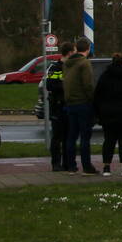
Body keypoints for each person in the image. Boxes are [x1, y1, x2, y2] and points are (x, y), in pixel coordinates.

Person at [62, 37, 97, 174]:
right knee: (85, 136)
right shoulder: (84, 63)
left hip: (70, 103)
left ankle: (71, 166)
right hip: (83, 103)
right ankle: (87, 166)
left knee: (71, 136)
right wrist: (92, 99)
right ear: (88, 49)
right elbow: (88, 84)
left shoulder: (67, 63)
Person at [44, 41, 75, 171]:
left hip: (69, 105)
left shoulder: (72, 67)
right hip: (57, 106)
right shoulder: (55, 67)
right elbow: (49, 85)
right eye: (74, 51)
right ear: (70, 53)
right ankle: (56, 164)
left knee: (69, 136)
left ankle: (68, 163)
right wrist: (65, 86)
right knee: (57, 137)